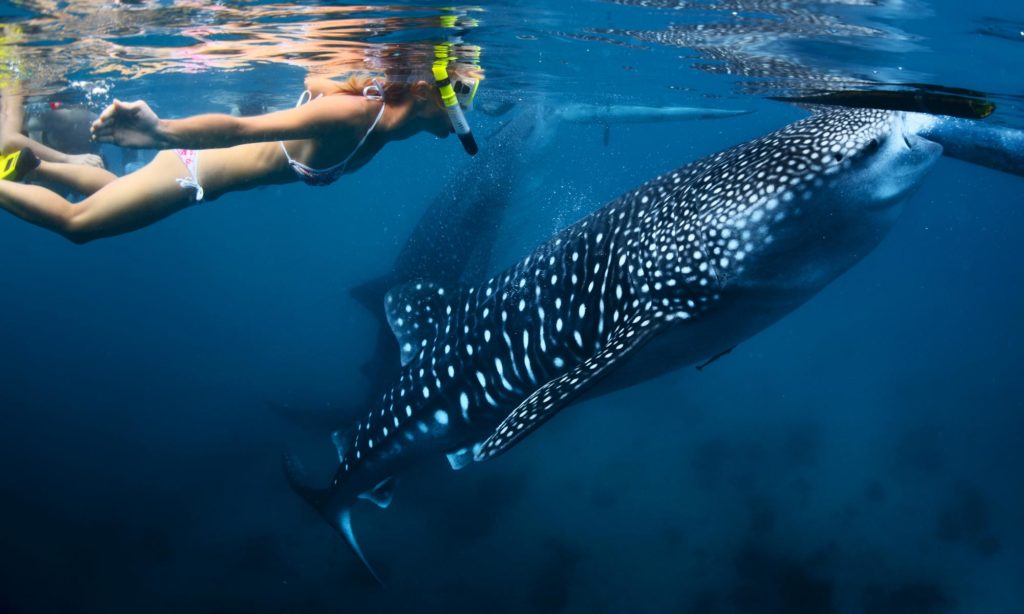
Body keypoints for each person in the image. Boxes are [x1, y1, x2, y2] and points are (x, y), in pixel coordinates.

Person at [0, 63, 481, 244]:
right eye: (465, 96)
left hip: (196, 181)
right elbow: (238, 129)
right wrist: (159, 130)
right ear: (423, 92)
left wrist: (331, 81)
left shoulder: (376, 119)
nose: (468, 110)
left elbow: (314, 79)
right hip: (190, 170)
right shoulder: (355, 118)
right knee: (77, 225)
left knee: (113, 189)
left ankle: (33, 163)